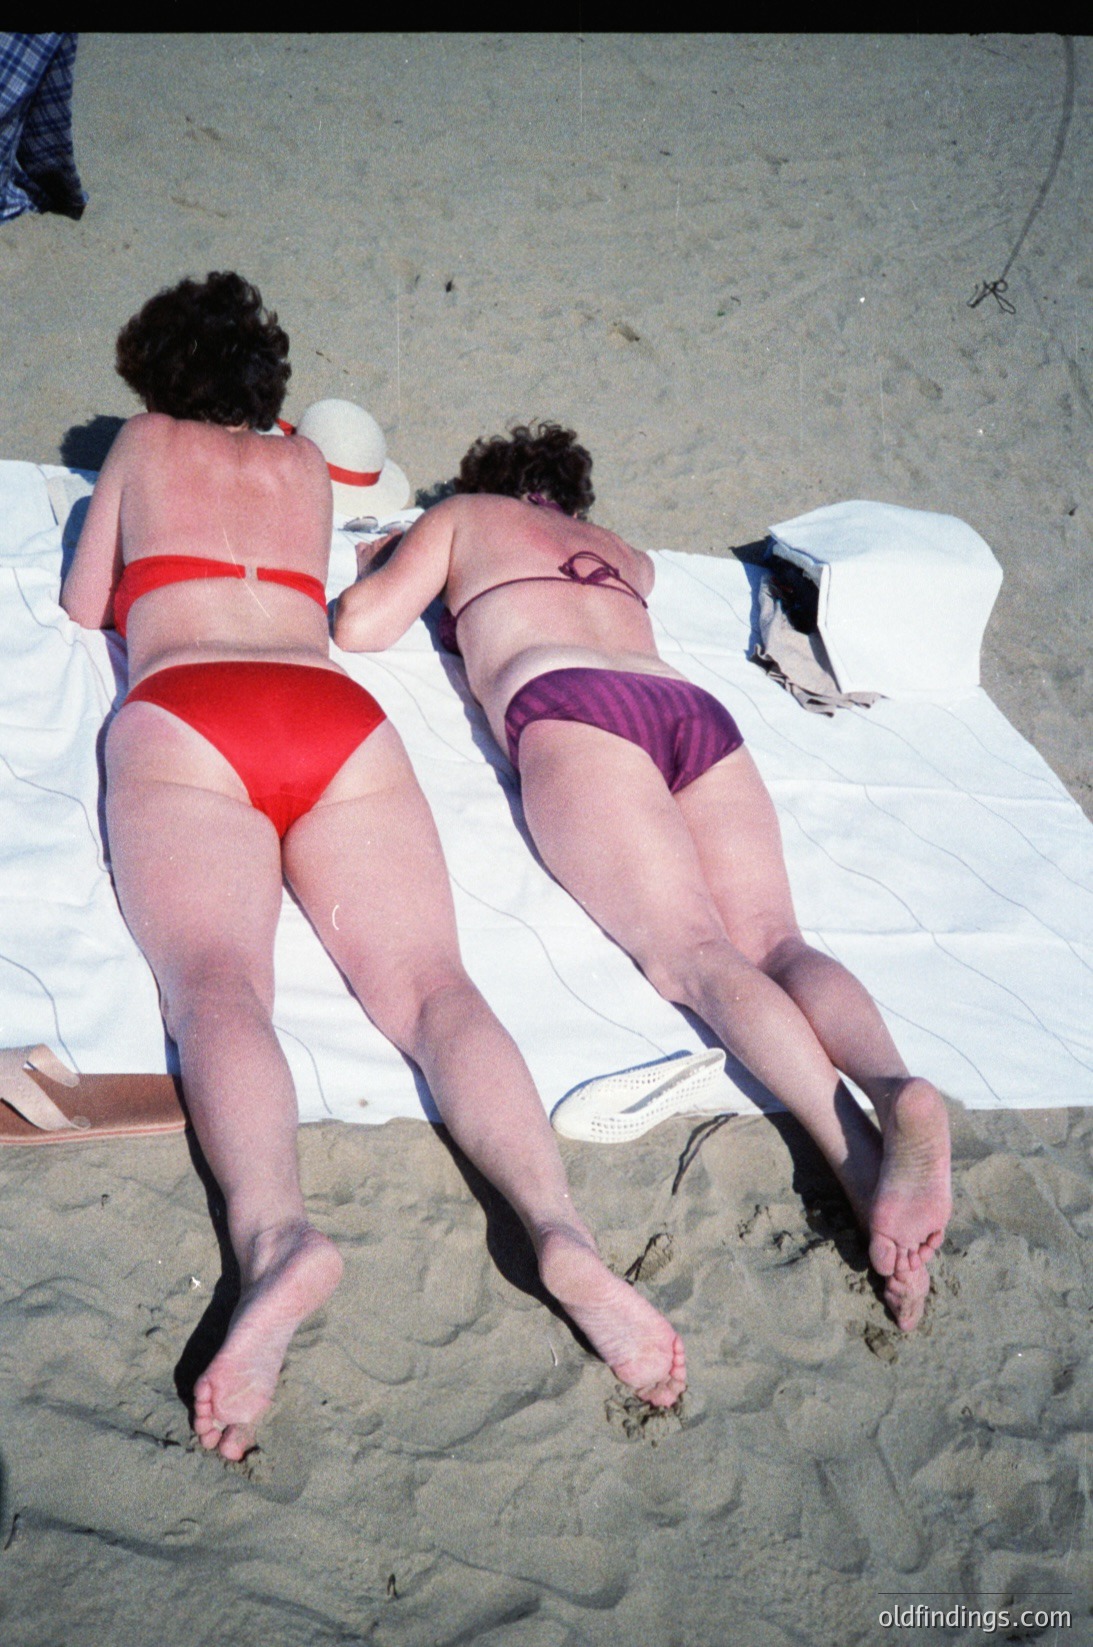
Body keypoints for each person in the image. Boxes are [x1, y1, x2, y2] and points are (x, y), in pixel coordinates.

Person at [61, 289, 685, 1462]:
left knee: (217, 987)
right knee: (433, 987)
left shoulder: (142, 446)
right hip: (335, 718)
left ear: (152, 377)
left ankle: (280, 1239)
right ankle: (560, 1232)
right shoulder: (306, 468)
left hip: (194, 704)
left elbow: (83, 602)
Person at [334, 421, 953, 1332]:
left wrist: (395, 561)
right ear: (572, 499)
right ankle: (896, 1083)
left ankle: (858, 1164)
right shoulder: (624, 555)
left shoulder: (463, 516)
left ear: (486, 481)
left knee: (692, 955)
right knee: (778, 941)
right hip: (689, 712)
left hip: (572, 697)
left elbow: (363, 626)